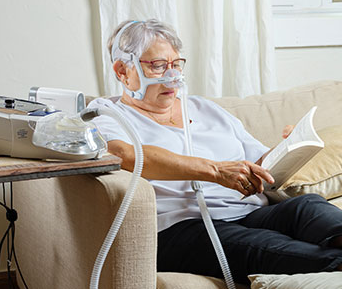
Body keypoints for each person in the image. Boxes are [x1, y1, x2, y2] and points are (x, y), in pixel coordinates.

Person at [88, 19, 342, 285]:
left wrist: (290, 146)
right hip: (184, 228)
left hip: (249, 213)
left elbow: (260, 164)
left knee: (305, 207)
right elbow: (126, 155)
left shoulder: (204, 109)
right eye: (158, 66)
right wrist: (214, 171)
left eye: (175, 64)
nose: (172, 75)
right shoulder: (108, 114)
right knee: (268, 246)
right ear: (122, 70)